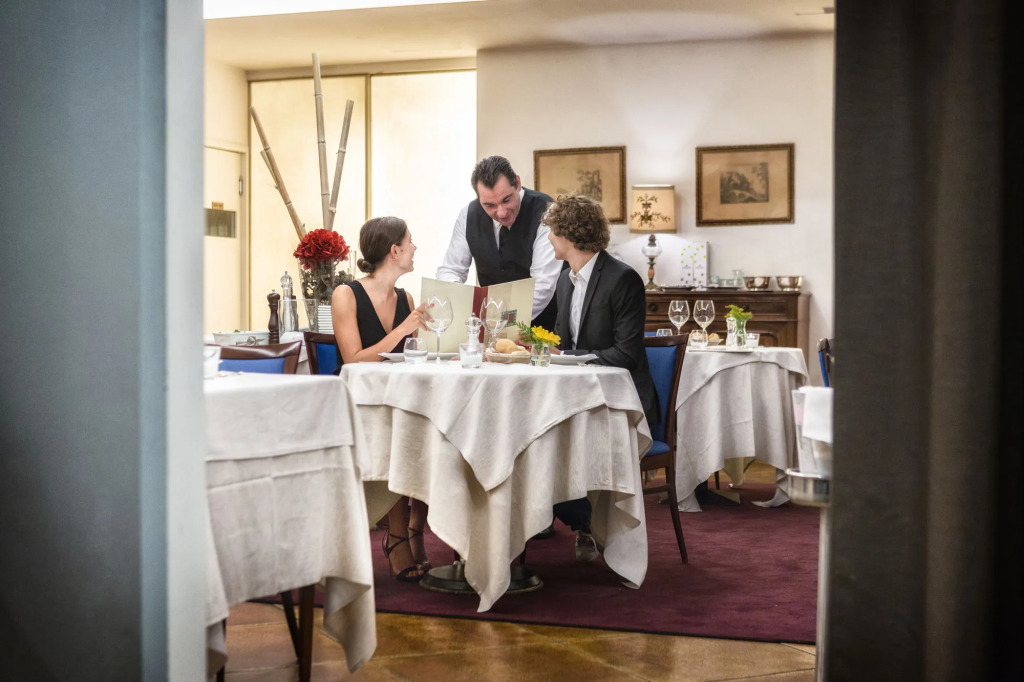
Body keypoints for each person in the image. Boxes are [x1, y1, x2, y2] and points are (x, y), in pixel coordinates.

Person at [544, 194, 659, 562]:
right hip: (580, 395)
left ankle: (586, 521)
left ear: (568, 235)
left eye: (552, 230)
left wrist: (568, 358)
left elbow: (626, 354)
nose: (549, 237)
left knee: (563, 440)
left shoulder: (623, 279)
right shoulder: (565, 280)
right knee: (538, 433)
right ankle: (552, 517)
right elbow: (562, 342)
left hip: (621, 401)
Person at [331, 216, 431, 582]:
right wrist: (404, 329)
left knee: (431, 426)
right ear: (394, 250)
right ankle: (398, 536)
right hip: (360, 403)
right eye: (410, 241)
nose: (414, 247)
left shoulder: (406, 298)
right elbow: (354, 359)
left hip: (400, 398)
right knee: (397, 431)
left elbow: (414, 356)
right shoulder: (346, 294)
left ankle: (416, 526)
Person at [435, 155, 563, 331]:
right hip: (490, 330)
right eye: (490, 205)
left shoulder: (546, 212)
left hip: (543, 330)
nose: (501, 213)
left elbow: (542, 286)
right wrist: (459, 303)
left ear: (518, 183)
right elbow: (451, 270)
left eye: (506, 200)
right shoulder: (467, 216)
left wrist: (498, 321)